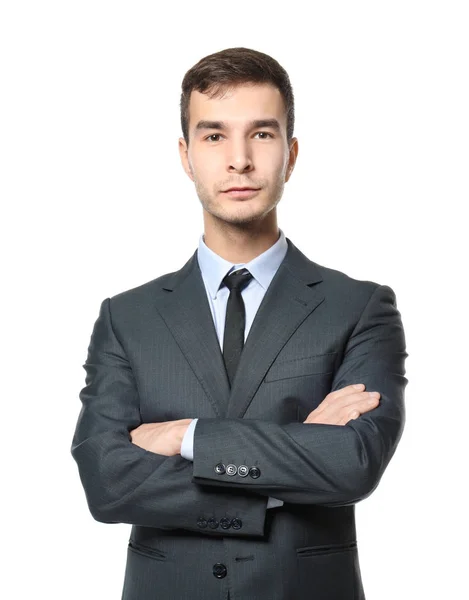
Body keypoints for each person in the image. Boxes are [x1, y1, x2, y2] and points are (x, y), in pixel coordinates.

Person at [71, 47, 408, 600]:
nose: (239, 160)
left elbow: (353, 464)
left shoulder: (361, 307)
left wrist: (186, 436)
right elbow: (106, 483)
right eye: (213, 136)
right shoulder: (126, 317)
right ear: (185, 155)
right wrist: (294, 460)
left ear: (291, 154)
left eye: (262, 134)